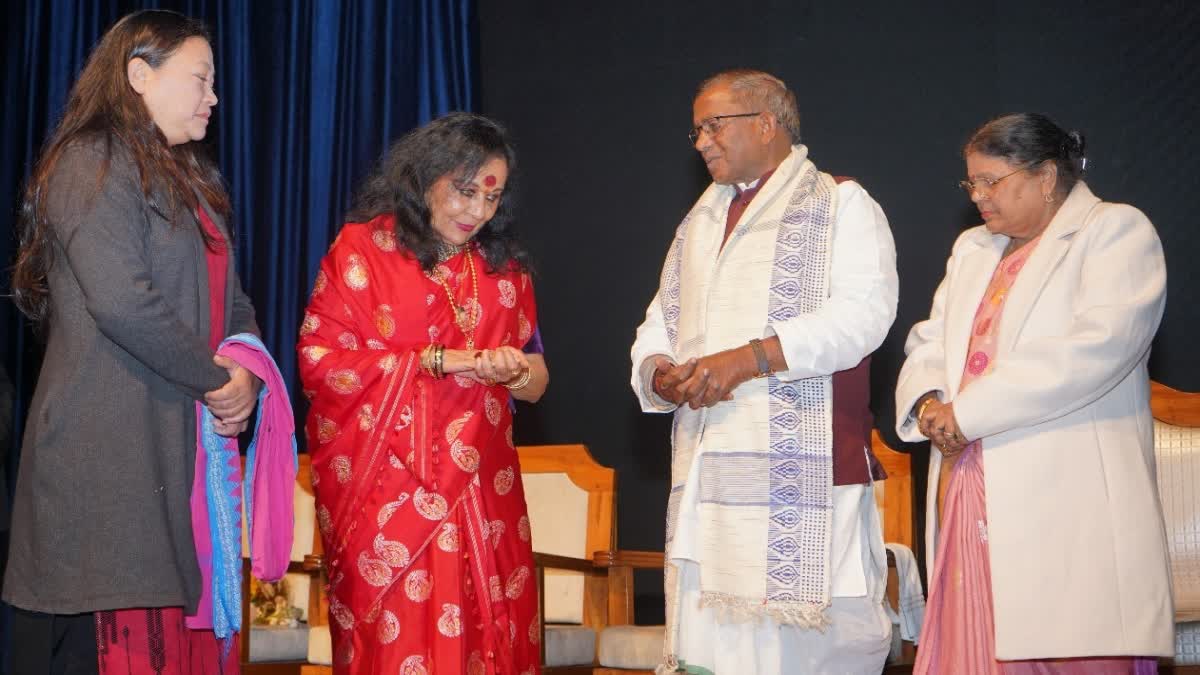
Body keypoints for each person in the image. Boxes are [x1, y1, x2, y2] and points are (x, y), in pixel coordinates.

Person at [4, 10, 261, 674]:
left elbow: (234, 303)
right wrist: (214, 378)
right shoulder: (89, 161)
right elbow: (123, 300)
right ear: (139, 75)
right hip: (108, 457)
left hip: (178, 451)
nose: (214, 97)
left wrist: (246, 374)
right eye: (200, 79)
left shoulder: (192, 185)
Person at [630, 69, 898, 675]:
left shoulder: (840, 203)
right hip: (708, 469)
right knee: (714, 645)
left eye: (714, 124)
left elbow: (864, 317)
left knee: (802, 651)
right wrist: (659, 371)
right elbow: (659, 322)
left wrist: (748, 361)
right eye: (696, 129)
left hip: (806, 472)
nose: (700, 141)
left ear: (768, 123)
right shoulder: (697, 224)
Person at [895, 112, 1172, 673]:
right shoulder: (974, 248)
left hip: (1067, 489)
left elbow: (1094, 349)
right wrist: (929, 405)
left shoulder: (1115, 231)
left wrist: (965, 414)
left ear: (1046, 176)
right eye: (971, 182)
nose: (978, 196)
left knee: (1070, 636)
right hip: (969, 477)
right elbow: (929, 340)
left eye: (992, 181)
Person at [298, 112, 548, 674]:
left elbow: (537, 383)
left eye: (491, 197)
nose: (476, 212)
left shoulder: (504, 269)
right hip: (387, 492)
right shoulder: (364, 250)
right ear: (425, 177)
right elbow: (320, 361)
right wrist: (438, 361)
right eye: (464, 192)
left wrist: (511, 372)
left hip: (484, 489)